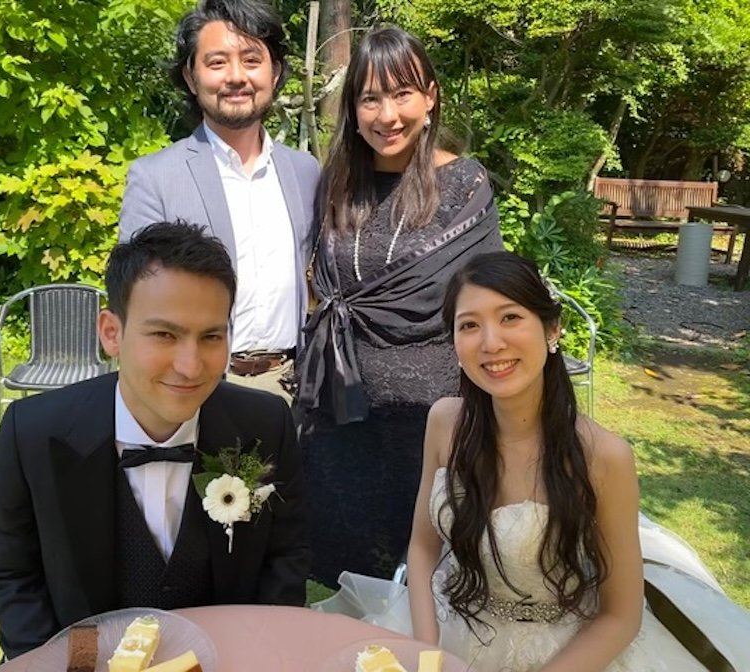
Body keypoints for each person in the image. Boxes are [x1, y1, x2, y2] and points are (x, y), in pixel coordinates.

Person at [0, 222, 309, 660]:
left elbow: (285, 558)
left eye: (211, 336)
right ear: (111, 332)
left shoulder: (265, 425)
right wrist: (70, 667)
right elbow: (15, 576)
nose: (190, 366)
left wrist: (252, 656)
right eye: (164, 335)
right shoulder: (33, 435)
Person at [406, 250, 709, 670]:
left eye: (510, 317)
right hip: (450, 631)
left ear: (552, 329)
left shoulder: (604, 457)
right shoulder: (444, 423)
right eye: (470, 325)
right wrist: (426, 656)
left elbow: (621, 616)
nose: (491, 343)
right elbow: (422, 549)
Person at [294, 26, 503, 586]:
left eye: (402, 93)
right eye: (370, 98)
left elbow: (488, 300)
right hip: (339, 419)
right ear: (352, 108)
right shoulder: (336, 183)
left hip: (428, 423)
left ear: (430, 96)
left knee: (422, 584)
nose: (387, 115)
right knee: (337, 586)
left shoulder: (463, 186)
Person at [119, 0, 320, 402]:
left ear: (274, 72)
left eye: (251, 60)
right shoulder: (155, 178)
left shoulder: (305, 172)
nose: (236, 76)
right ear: (191, 77)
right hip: (198, 387)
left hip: (295, 387)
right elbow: (135, 300)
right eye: (217, 62)